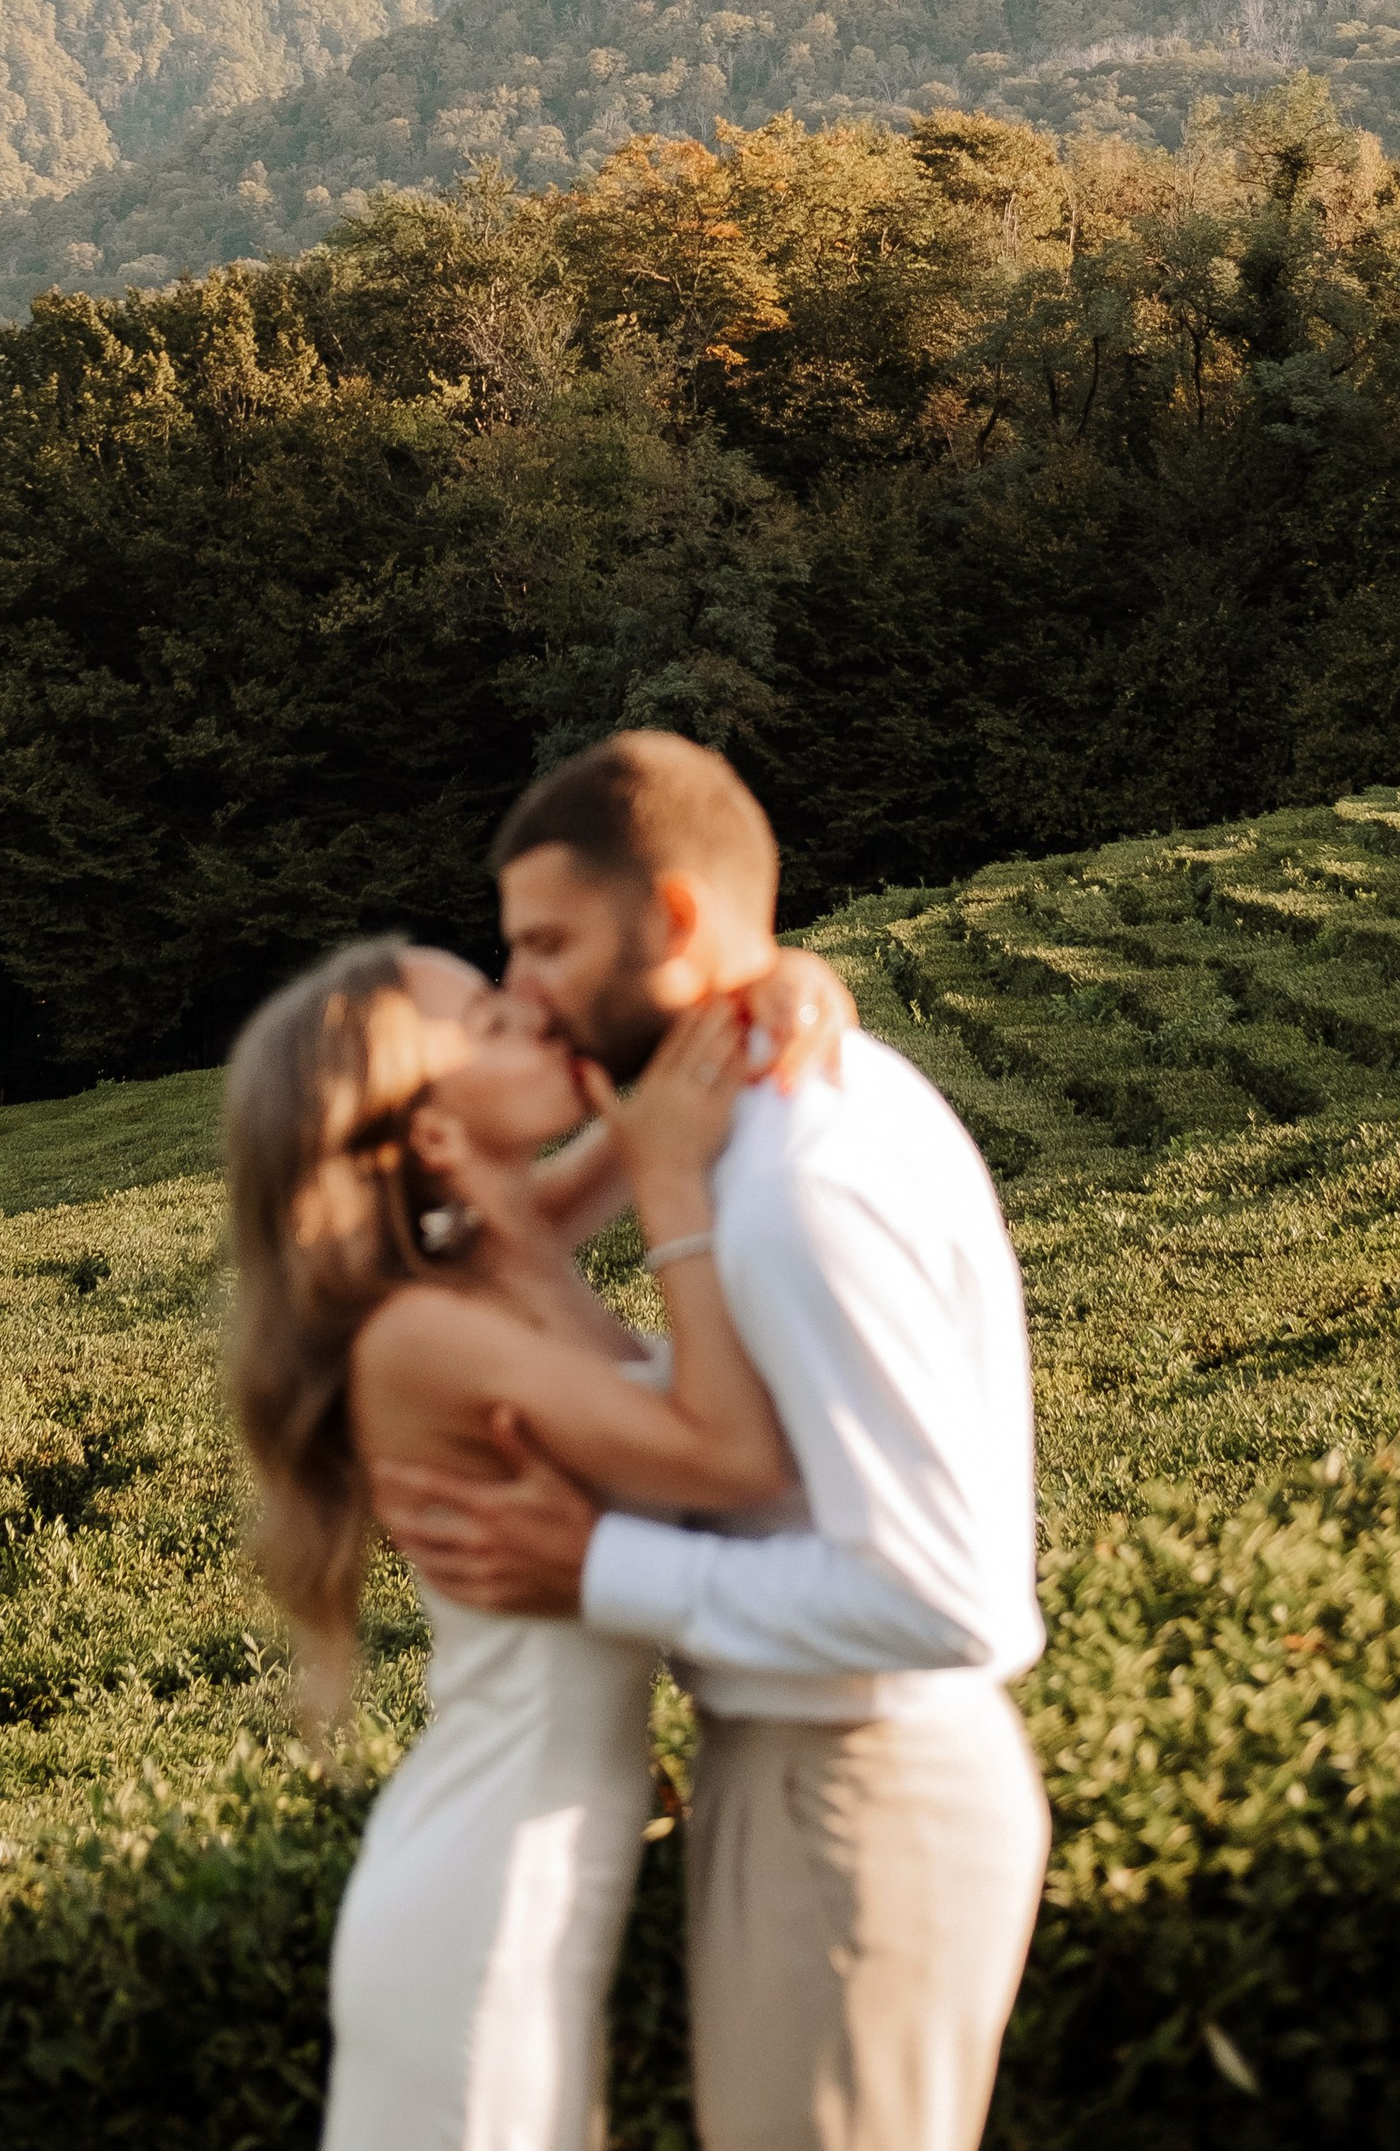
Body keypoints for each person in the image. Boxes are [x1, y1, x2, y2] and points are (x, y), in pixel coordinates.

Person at [372, 731, 1049, 2151]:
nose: (524, 993)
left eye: (546, 945)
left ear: (673, 920)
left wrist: (600, 1566)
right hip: (801, 1779)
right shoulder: (742, 1128)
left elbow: (947, 1597)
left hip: (858, 1792)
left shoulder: (800, 1184)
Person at [225, 924, 854, 2151]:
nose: (539, 1015)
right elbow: (734, 1456)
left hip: (536, 1861)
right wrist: (672, 1192)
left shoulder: (502, 1252)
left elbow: (647, 1117)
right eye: (494, 1023)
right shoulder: (426, 1332)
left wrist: (763, 986)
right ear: (433, 1133)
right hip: (487, 1892)